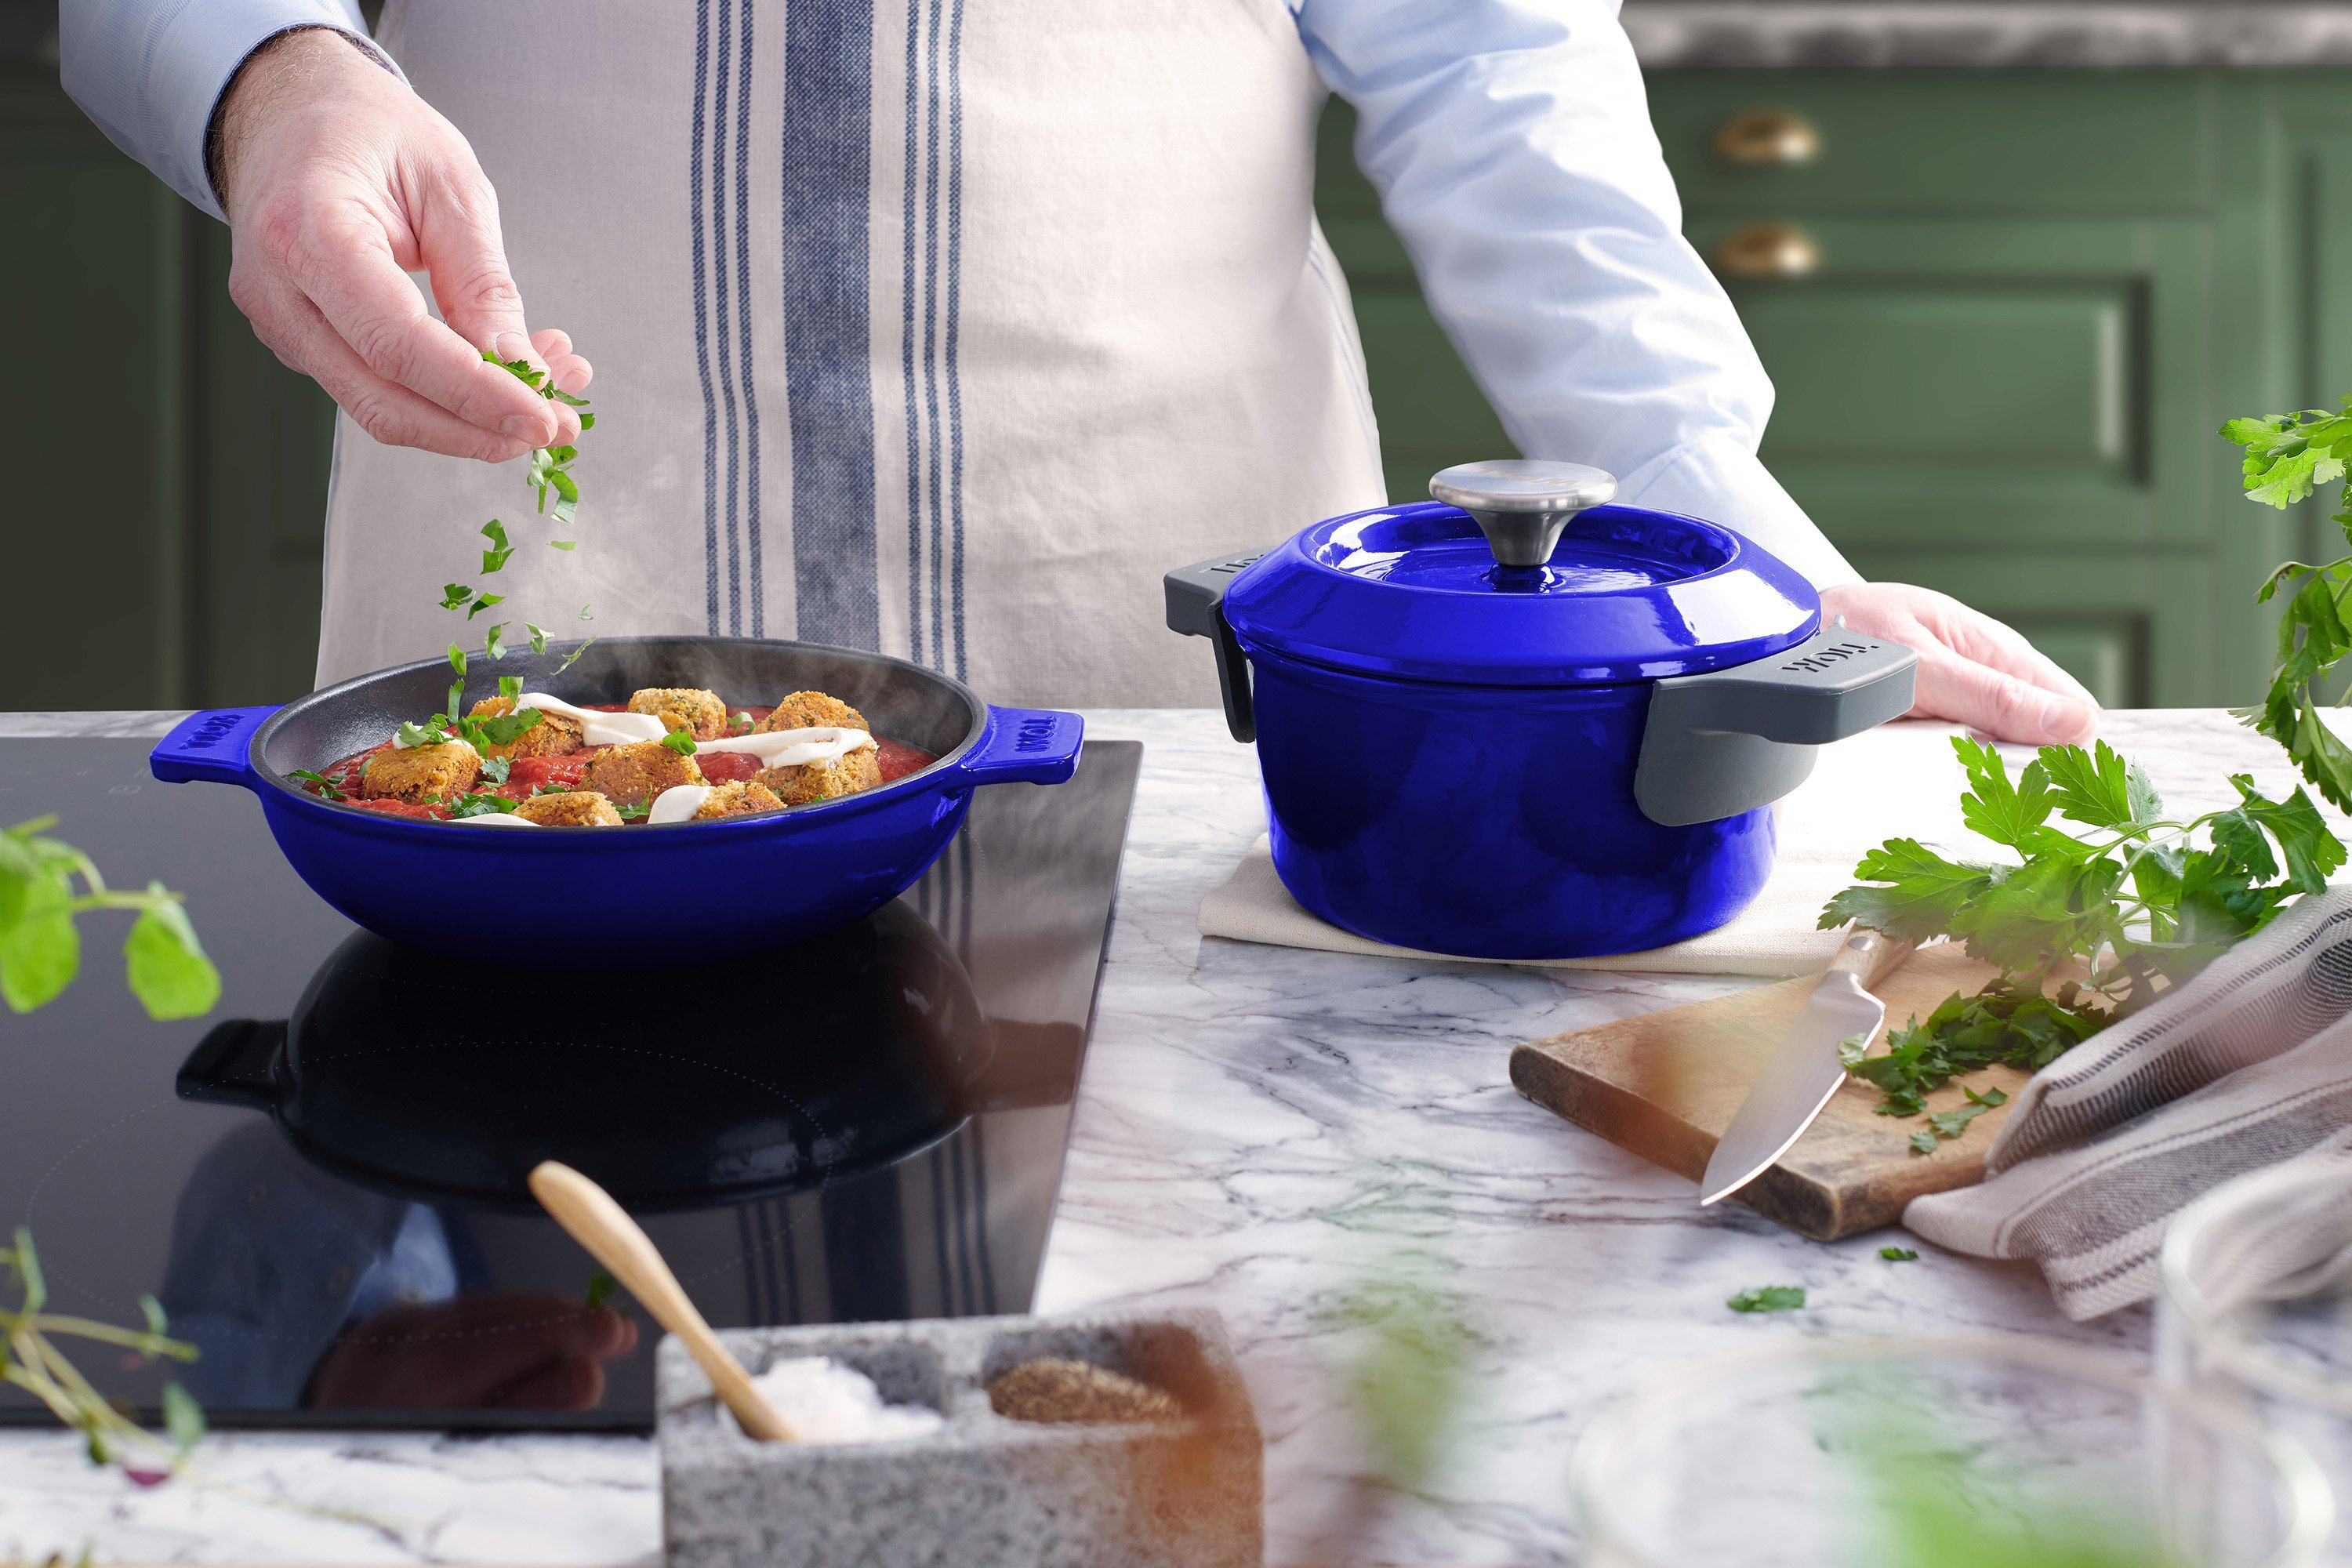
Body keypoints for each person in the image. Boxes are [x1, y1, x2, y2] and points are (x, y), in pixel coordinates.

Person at [61, 1, 2097, 742]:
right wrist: (270, 73)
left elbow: (1489, 63)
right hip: (558, 599)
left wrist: (1728, 546)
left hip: (1161, 640)